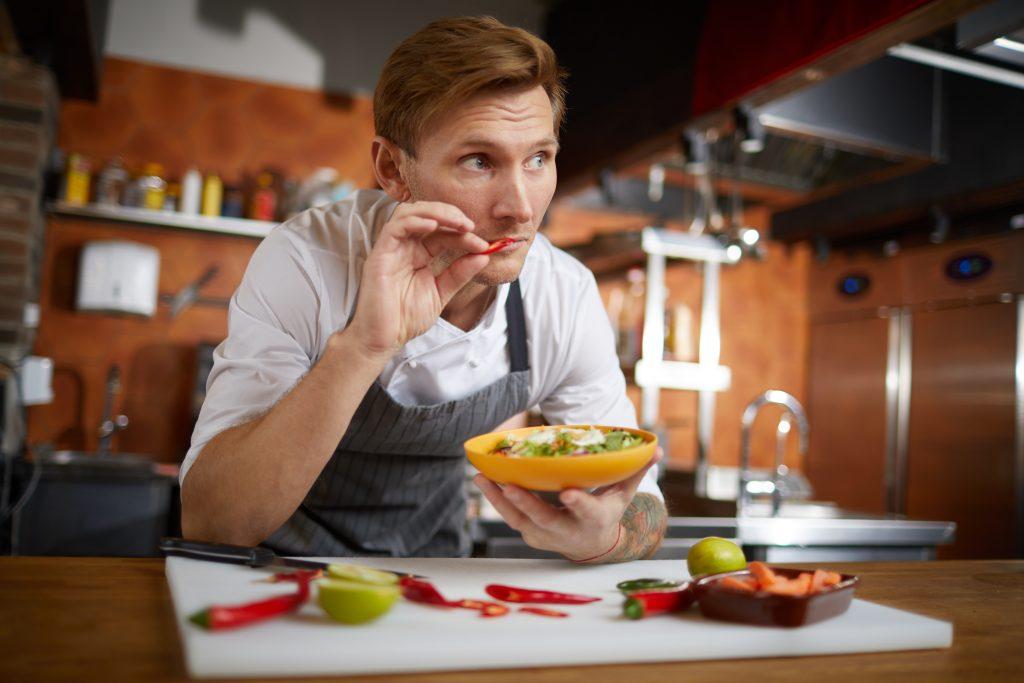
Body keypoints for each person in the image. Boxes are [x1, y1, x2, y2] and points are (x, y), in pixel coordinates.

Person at [180, 16, 668, 563]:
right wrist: (363, 346)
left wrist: (609, 538)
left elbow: (640, 500)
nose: (521, 208)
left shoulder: (563, 295)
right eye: (479, 161)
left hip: (433, 576)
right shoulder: (309, 262)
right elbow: (210, 521)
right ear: (393, 169)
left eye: (538, 159)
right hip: (269, 578)